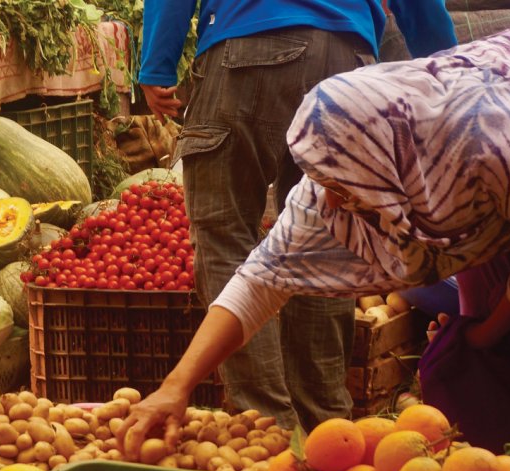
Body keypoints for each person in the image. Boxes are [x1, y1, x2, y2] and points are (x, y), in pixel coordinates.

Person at [118, 14, 510, 454]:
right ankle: (508, 461)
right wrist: (177, 387)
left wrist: (488, 334)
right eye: (324, 179)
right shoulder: (343, 167)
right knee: (480, 311)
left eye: (343, 184)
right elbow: (259, 281)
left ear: (389, 163)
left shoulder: (506, 155)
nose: (329, 198)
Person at [138, 1, 458, 431]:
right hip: (348, 61)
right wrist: (446, 69)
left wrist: (158, 61)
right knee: (331, 237)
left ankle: (267, 429)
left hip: (245, 48)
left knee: (226, 234)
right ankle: (326, 426)